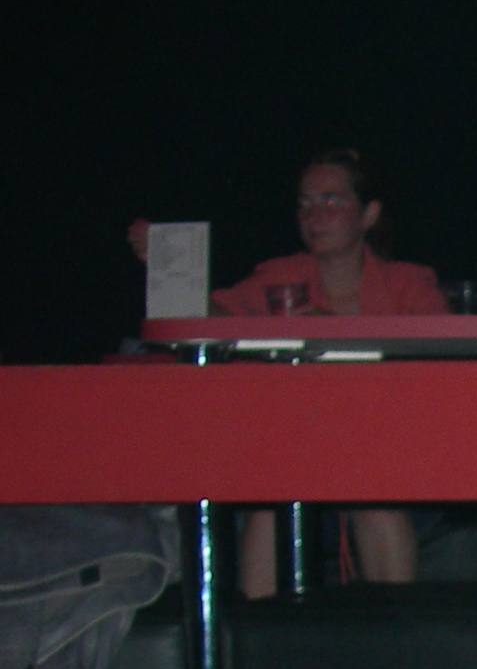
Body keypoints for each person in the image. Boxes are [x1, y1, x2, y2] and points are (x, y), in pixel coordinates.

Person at [129, 149, 443, 593]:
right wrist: (169, 265)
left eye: (331, 201)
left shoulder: (408, 283)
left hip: (388, 450)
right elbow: (213, 319)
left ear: (369, 214)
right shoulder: (280, 278)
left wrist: (330, 332)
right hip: (296, 450)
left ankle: (394, 628)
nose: (313, 216)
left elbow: (436, 364)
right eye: (304, 203)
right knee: (270, 499)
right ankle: (259, 629)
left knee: (374, 495)